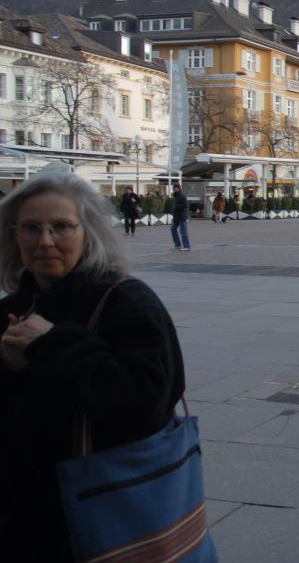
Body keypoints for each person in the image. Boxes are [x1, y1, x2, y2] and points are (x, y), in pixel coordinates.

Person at [0, 173, 186, 562]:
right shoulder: (12, 308)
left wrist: (52, 345)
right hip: (23, 517)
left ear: (89, 232)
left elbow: (147, 402)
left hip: (104, 514)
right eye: (31, 228)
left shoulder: (126, 302)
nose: (45, 241)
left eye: (61, 227)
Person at [170, 183, 191, 251]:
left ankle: (187, 246)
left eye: (174, 188)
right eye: (173, 188)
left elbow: (185, 206)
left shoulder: (182, 196)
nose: (173, 189)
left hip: (182, 216)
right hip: (176, 217)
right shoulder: (175, 196)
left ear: (178, 188)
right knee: (173, 229)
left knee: (183, 232)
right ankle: (178, 245)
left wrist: (176, 207)